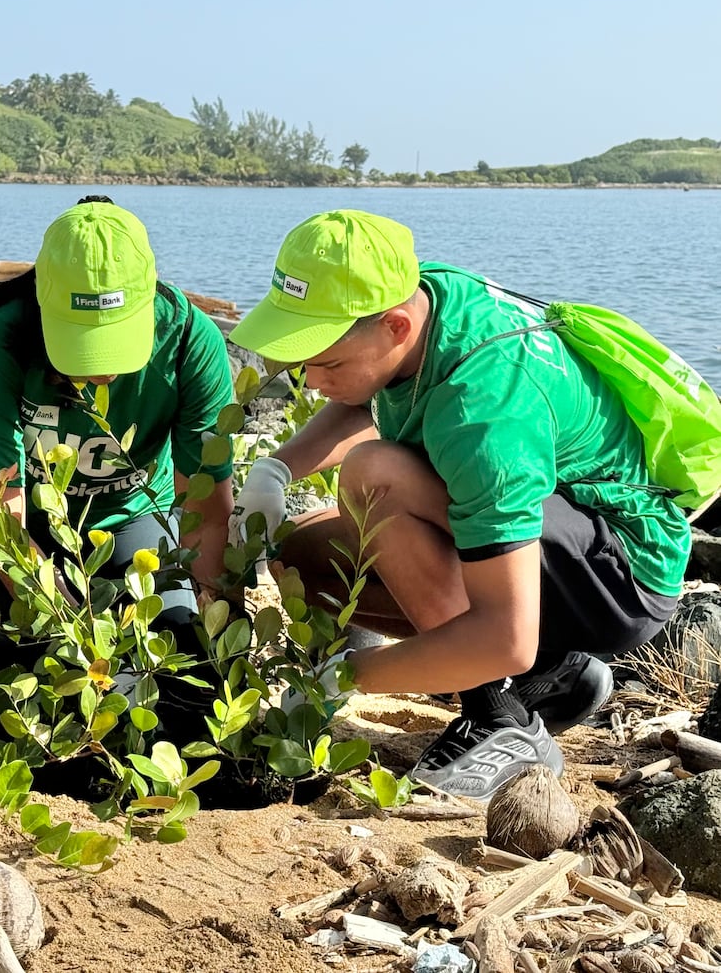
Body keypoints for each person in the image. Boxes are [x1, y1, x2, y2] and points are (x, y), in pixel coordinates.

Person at [228, 209, 689, 800]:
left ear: (396, 326)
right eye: (304, 359)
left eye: (327, 362)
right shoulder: (424, 293)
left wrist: (345, 678)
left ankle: (500, 719)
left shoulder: (484, 414)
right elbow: (371, 388)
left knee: (375, 477)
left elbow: (506, 637)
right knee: (305, 558)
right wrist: (276, 468)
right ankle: (553, 677)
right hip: (549, 526)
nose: (310, 380)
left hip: (620, 571)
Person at [0, 199, 235, 702]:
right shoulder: (0, 334)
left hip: (127, 519)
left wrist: (222, 624)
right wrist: (72, 627)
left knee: (187, 675)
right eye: (81, 346)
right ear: (43, 298)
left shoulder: (190, 341)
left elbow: (204, 513)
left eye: (118, 345)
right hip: (12, 517)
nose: (102, 372)